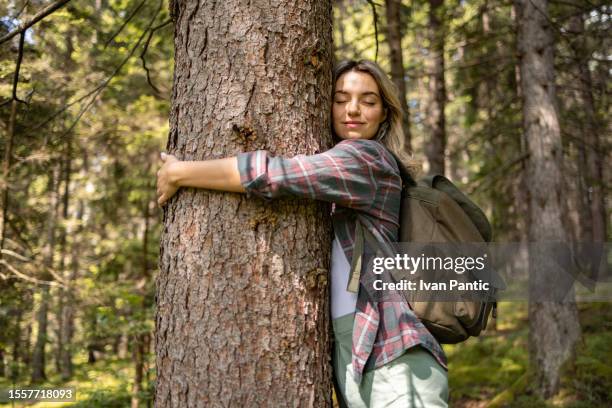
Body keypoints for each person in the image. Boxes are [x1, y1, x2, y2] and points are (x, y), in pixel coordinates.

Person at [156, 60, 449, 407]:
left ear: (384, 113)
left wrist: (181, 172)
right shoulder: (345, 177)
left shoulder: (366, 159)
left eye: (368, 101)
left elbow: (278, 175)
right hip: (358, 352)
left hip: (393, 352)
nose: (352, 109)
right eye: (340, 99)